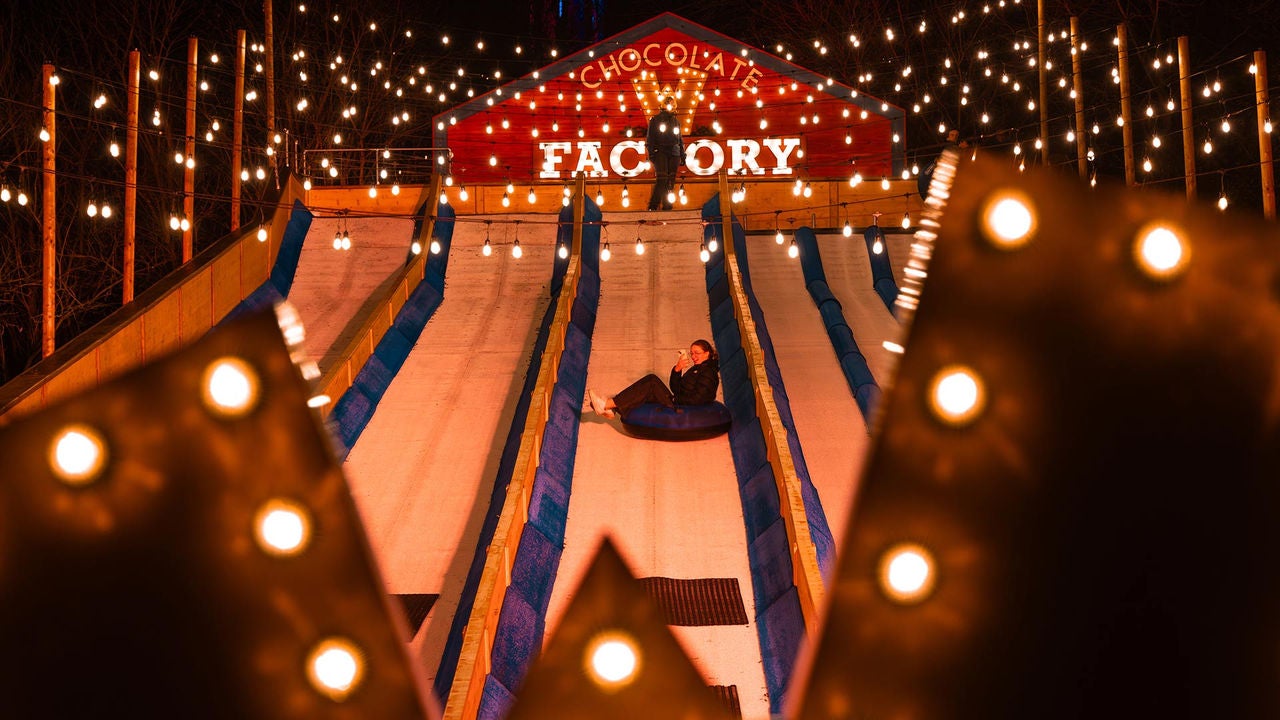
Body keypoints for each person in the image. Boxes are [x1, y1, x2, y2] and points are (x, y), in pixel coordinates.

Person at [587, 340, 719, 419]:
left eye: (697, 353)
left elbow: (700, 398)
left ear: (707, 353)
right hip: (679, 402)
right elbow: (676, 388)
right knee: (649, 385)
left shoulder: (708, 372)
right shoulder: (696, 368)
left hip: (682, 406)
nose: (693, 356)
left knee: (652, 381)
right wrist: (677, 370)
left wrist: (675, 400)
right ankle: (612, 409)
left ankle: (606, 405)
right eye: (692, 353)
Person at [646, 101, 683, 211]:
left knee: (670, 180)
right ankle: (654, 205)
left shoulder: (676, 121)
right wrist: (652, 152)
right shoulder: (655, 120)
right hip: (661, 151)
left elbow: (679, 139)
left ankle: (666, 205)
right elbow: (650, 138)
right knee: (662, 179)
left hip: (674, 152)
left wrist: (682, 153)